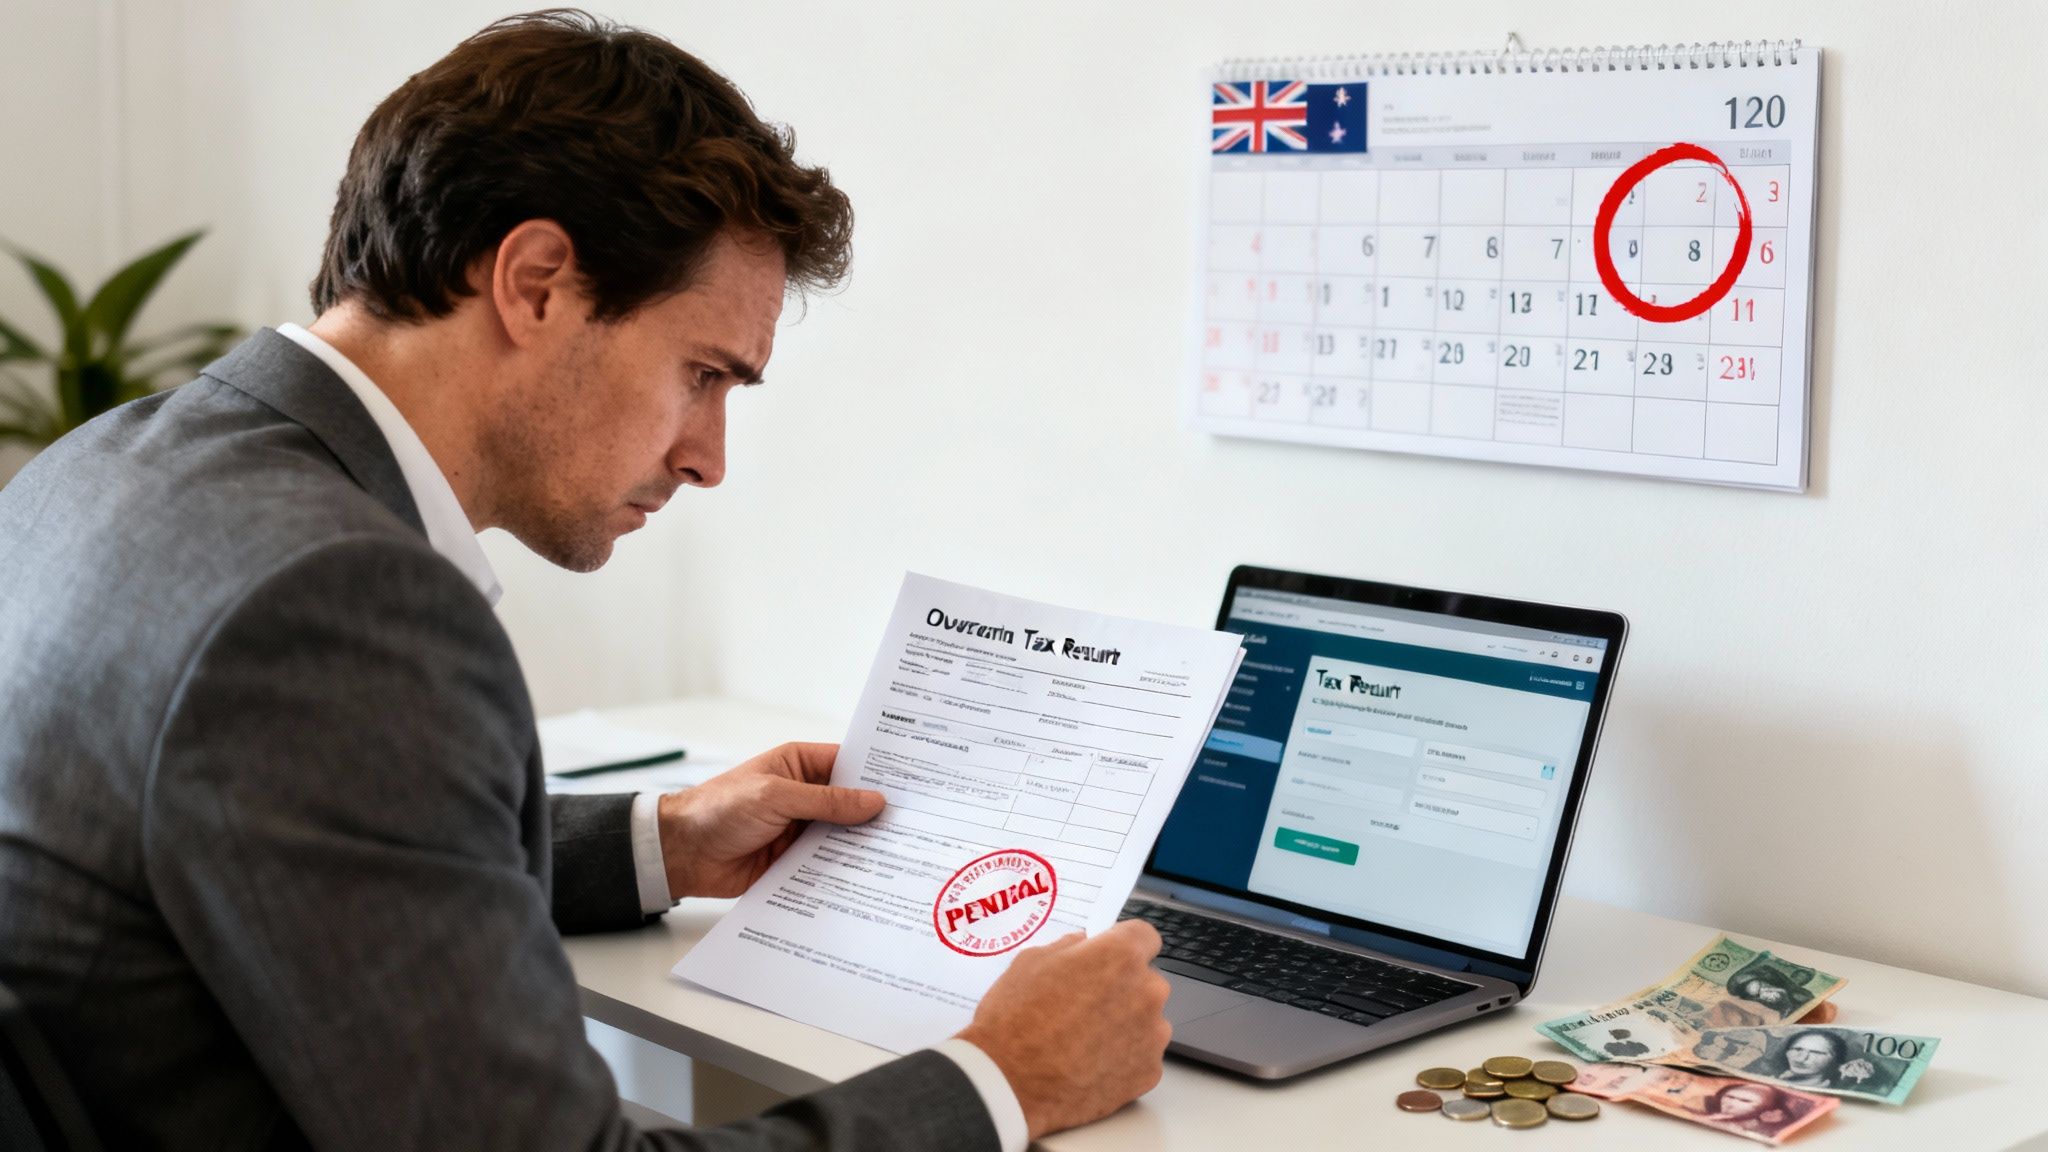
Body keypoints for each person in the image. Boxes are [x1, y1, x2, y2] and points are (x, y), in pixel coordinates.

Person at [0, 11, 1170, 1151]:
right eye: (702, 373)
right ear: (538, 281)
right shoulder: (339, 604)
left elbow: (311, 843)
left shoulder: (98, 467)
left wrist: (663, 841)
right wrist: (1003, 1080)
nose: (708, 457)